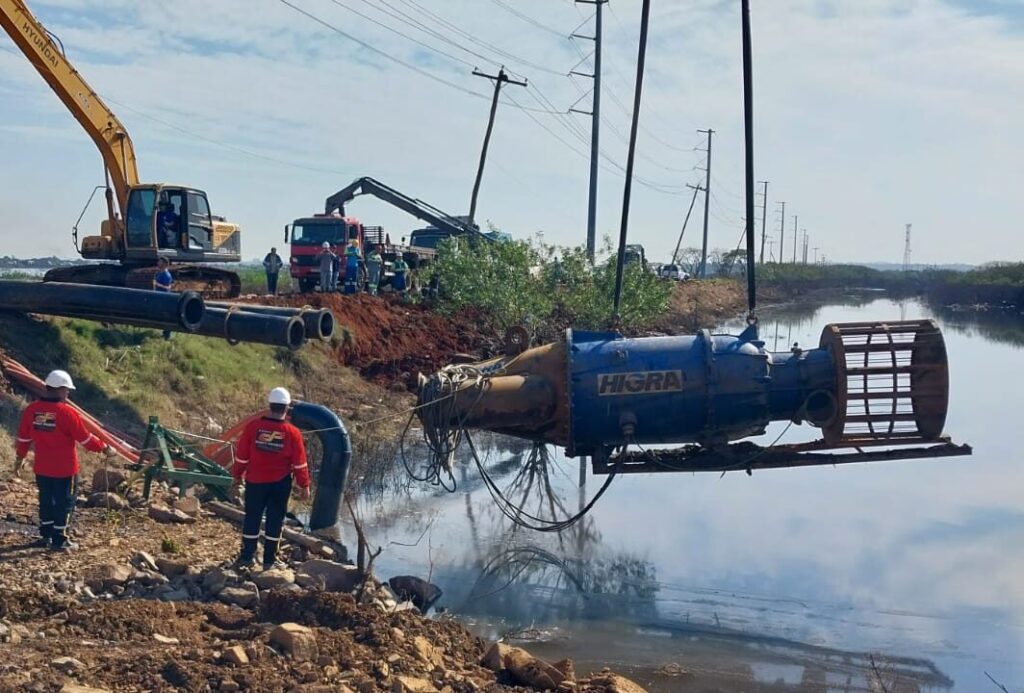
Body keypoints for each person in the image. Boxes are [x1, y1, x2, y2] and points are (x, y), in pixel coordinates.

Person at [14, 370, 115, 551]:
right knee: (65, 502)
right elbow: (85, 439)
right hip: (65, 470)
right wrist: (105, 448)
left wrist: (19, 459)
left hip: (42, 468)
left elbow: (23, 439)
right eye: (67, 390)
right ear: (59, 389)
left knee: (46, 499)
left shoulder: (32, 410)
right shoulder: (67, 413)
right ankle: (60, 539)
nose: (68, 393)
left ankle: (46, 535)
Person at [230, 387, 311, 570]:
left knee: (252, 517)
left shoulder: (253, 427)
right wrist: (304, 485)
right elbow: (300, 464)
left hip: (255, 482)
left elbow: (242, 456)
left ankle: (247, 556)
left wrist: (237, 475)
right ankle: (269, 560)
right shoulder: (292, 433)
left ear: (270, 405)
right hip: (280, 484)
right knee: (275, 519)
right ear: (287, 408)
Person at [154, 257, 173, 340]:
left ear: (165, 264)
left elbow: (168, 287)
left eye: (160, 262)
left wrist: (158, 285)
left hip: (164, 297)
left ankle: (167, 335)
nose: (158, 263)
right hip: (159, 296)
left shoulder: (166, 275)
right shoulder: (159, 273)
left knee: (165, 316)